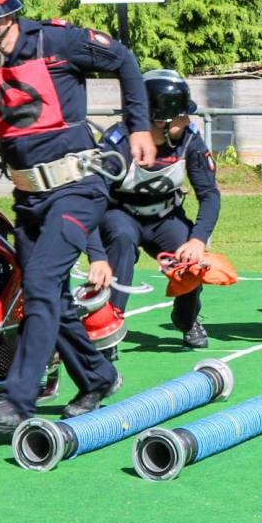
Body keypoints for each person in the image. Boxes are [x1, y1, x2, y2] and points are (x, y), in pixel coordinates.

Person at [0, 0, 156, 434]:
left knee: (40, 282)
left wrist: (139, 125)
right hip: (28, 199)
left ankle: (16, 402)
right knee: (51, 298)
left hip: (79, 186)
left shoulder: (57, 41)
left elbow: (123, 59)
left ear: (6, 19)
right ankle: (98, 376)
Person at [96, 69, 220, 353]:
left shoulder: (189, 139)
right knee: (121, 239)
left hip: (165, 216)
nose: (187, 120)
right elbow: (95, 195)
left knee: (187, 256)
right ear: (159, 120)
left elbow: (209, 194)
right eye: (180, 116)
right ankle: (109, 328)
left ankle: (186, 318)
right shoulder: (118, 141)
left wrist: (197, 240)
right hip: (121, 213)